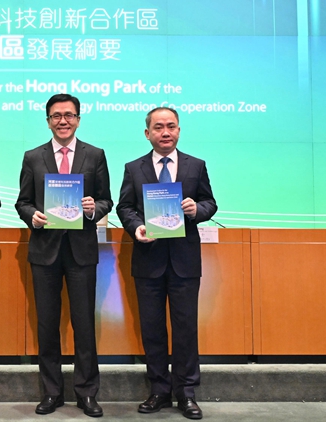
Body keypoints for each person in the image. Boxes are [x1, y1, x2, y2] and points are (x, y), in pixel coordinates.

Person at [116, 107, 217, 420]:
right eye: (158, 127)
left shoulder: (195, 165)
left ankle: (186, 393)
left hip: (184, 261)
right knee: (153, 329)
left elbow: (210, 203)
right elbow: (125, 207)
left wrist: (196, 210)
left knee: (185, 328)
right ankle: (159, 390)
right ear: (147, 133)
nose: (165, 132)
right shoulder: (134, 168)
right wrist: (136, 227)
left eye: (171, 126)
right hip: (148, 260)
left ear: (179, 130)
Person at [15, 93, 112, 417]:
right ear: (48, 121)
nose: (63, 121)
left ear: (78, 120)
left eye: (69, 115)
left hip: (81, 252)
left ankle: (87, 393)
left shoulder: (95, 155)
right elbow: (22, 202)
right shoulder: (33, 157)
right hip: (45, 252)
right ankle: (52, 392)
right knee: (47, 326)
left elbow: (106, 200)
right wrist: (33, 216)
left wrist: (93, 209)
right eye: (56, 116)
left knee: (84, 325)